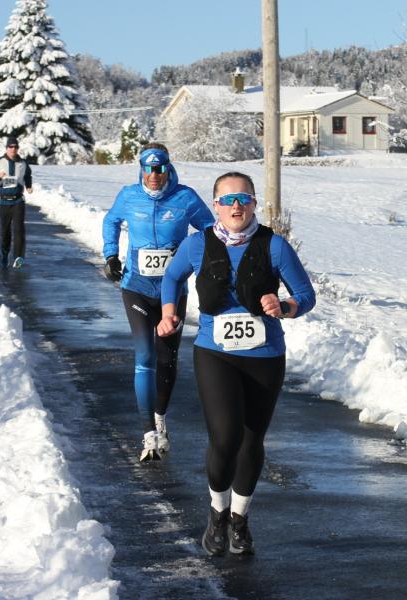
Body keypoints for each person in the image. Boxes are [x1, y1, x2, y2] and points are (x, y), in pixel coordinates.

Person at [157, 171, 316, 556]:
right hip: (215, 353)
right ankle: (217, 513)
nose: (236, 206)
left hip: (265, 357)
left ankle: (240, 519)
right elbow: (172, 278)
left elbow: (306, 295)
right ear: (215, 206)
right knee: (226, 437)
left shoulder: (274, 246)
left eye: (243, 199)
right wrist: (167, 313)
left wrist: (286, 307)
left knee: (251, 441)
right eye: (227, 200)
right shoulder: (197, 245)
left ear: (254, 204)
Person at [102, 143, 214, 462]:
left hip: (172, 289)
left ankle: (160, 418)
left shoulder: (185, 198)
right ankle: (147, 431)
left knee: (167, 358)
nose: (154, 175)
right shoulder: (128, 195)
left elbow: (209, 230)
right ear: (141, 168)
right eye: (149, 169)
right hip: (136, 286)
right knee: (145, 356)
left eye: (160, 168)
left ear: (168, 168)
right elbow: (110, 221)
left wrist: (201, 260)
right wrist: (110, 253)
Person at [0, 136, 32, 268]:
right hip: (4, 202)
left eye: (15, 147)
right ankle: (5, 254)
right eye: (11, 147)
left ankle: (18, 257)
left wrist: (28, 185)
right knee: (5, 231)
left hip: (18, 200)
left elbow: (28, 175)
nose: (13, 149)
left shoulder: (23, 163)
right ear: (6, 148)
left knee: (19, 229)